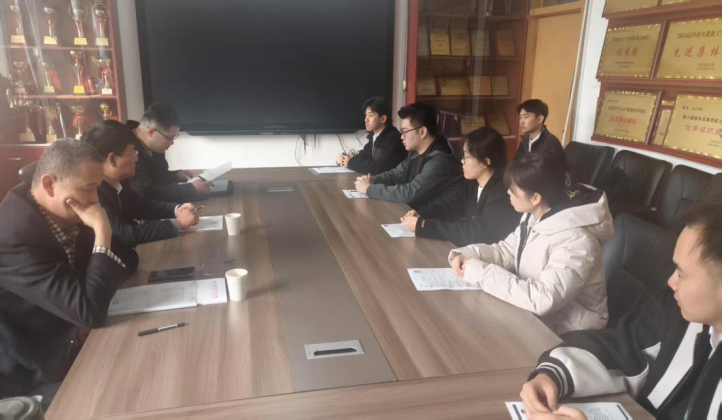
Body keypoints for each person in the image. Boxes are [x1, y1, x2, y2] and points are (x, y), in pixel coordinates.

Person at [520, 204, 721, 420]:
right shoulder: (675, 310)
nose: (671, 282)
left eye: (682, 274)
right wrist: (552, 374)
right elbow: (622, 347)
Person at [0, 140, 136, 406]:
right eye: (87, 188)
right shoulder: (13, 235)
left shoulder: (65, 211)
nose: (95, 200)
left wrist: (83, 307)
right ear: (49, 184)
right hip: (34, 366)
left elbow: (129, 259)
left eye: (97, 188)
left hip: (73, 332)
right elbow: (90, 312)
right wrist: (102, 232)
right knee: (126, 389)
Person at [448, 153, 612, 335]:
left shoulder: (577, 241)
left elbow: (544, 299)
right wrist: (467, 254)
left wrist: (479, 272)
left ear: (535, 198)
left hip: (572, 331)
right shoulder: (534, 217)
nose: (508, 192)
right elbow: (506, 251)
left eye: (513, 188)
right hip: (536, 316)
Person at [82, 121, 199, 250]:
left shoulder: (120, 180)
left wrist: (176, 210)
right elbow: (123, 235)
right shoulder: (94, 193)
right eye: (133, 154)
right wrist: (177, 224)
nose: (136, 159)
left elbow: (139, 206)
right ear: (113, 159)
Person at [399, 127, 518, 247]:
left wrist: (423, 226)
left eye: (466, 157)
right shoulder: (474, 183)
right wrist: (421, 214)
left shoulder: (503, 193)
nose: (462, 161)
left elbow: (474, 233)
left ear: (486, 161)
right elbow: (451, 206)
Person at [355, 102, 464, 220]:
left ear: (422, 132)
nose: (401, 136)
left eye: (405, 131)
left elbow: (410, 192)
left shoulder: (440, 159)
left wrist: (369, 189)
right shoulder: (415, 152)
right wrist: (373, 179)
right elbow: (396, 175)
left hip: (442, 222)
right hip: (420, 215)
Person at [127, 103, 212, 202]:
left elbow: (158, 177)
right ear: (151, 132)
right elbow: (147, 191)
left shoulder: (153, 145)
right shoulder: (127, 150)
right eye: (170, 138)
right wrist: (191, 188)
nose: (172, 143)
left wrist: (176, 176)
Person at [336, 96, 406, 175]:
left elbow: (379, 168)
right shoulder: (375, 135)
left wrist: (350, 162)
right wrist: (347, 158)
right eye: (366, 115)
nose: (366, 120)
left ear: (383, 119)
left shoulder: (392, 139)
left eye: (370, 115)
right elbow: (365, 154)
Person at [515, 99, 566, 170]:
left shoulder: (551, 144)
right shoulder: (525, 139)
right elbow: (516, 163)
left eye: (526, 117)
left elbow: (551, 173)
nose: (521, 122)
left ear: (539, 119)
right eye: (520, 117)